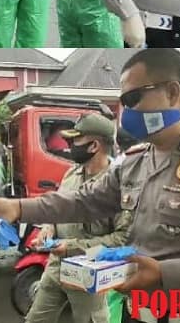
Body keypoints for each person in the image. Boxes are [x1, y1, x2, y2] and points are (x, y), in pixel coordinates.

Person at [0, 48, 180, 323]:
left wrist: (165, 272)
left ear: (172, 92)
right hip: (138, 309)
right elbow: (83, 202)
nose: (126, 112)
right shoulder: (135, 161)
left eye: (133, 99)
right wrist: (19, 208)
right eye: (123, 102)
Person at [28, 113, 131, 323]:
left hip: (89, 271)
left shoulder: (117, 186)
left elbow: (123, 240)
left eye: (75, 141)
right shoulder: (71, 174)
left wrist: (72, 246)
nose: (69, 146)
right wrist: (49, 228)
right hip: (56, 265)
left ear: (94, 146)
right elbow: (59, 209)